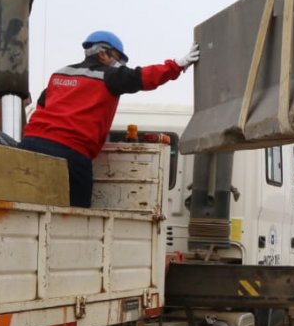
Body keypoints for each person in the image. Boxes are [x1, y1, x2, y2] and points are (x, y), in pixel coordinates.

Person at [19, 31, 200, 207]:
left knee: (25, 201)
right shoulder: (108, 76)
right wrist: (178, 65)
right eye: (118, 59)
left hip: (29, 145)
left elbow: (42, 106)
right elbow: (143, 77)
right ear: (104, 53)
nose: (118, 65)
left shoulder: (59, 75)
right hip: (70, 153)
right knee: (76, 214)